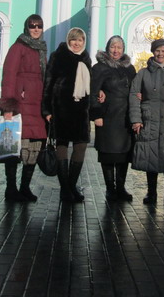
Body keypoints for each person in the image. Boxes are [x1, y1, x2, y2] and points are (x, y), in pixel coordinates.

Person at [0, 14, 47, 202]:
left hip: (38, 104)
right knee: (14, 148)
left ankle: (25, 187)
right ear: (27, 27)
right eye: (32, 26)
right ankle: (11, 188)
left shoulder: (41, 49)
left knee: (34, 147)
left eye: (39, 26)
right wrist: (8, 106)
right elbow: (9, 76)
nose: (36, 29)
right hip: (21, 105)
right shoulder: (18, 47)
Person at [130, 39, 164, 205]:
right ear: (153, 52)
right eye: (157, 51)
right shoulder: (143, 73)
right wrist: (136, 120)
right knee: (150, 157)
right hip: (149, 119)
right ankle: (151, 192)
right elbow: (134, 95)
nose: (160, 54)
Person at [42, 28, 92, 202]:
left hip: (80, 110)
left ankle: (71, 185)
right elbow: (48, 82)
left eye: (80, 40)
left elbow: (90, 84)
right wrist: (47, 110)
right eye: (73, 40)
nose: (76, 43)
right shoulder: (58, 56)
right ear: (68, 41)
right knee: (61, 145)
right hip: (61, 108)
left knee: (81, 146)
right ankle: (65, 189)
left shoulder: (86, 58)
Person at [90, 36, 136, 201]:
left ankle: (121, 188)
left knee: (124, 154)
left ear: (123, 49)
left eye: (119, 47)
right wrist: (96, 114)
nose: (116, 51)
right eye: (113, 47)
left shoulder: (130, 69)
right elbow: (93, 91)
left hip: (125, 117)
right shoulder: (100, 68)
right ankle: (110, 189)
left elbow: (135, 89)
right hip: (108, 117)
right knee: (108, 154)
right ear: (107, 48)